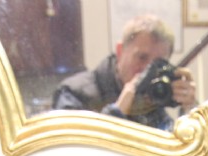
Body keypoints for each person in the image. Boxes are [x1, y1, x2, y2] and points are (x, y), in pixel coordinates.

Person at [52, 15, 197, 131]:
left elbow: (173, 151)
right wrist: (118, 110)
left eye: (157, 64)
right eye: (141, 57)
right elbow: (71, 153)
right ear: (120, 51)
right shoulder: (72, 93)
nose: (148, 70)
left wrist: (191, 111)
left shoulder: (153, 96)